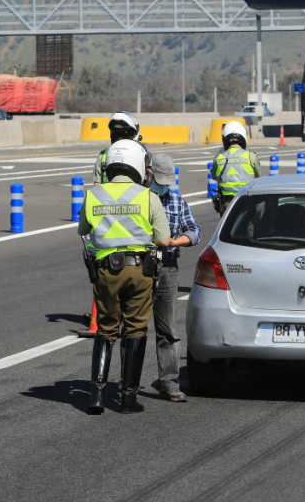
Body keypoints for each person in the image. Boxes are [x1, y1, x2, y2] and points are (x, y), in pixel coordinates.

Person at [78, 139, 177, 415]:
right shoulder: (148, 197)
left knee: (107, 330)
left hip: (105, 271)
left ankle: (97, 395)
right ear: (137, 165)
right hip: (140, 271)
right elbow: (163, 238)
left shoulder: (93, 195)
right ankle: (128, 397)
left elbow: (83, 229)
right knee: (135, 330)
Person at [147, 154, 200, 403]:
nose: (163, 185)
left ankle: (169, 383)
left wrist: (174, 241)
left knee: (168, 329)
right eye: (159, 179)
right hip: (140, 266)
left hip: (167, 266)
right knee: (132, 329)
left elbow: (194, 230)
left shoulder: (177, 200)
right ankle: (127, 384)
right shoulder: (138, 199)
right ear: (148, 174)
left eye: (167, 181)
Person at [212, 121, 262, 215]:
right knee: (251, 226)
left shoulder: (218, 158)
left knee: (229, 229)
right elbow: (258, 176)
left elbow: (214, 176)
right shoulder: (251, 156)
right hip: (247, 201)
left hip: (227, 203)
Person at [93, 111, 147, 185]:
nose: (119, 138)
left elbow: (97, 187)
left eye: (124, 134)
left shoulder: (103, 155)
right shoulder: (142, 153)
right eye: (116, 133)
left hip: (107, 196)